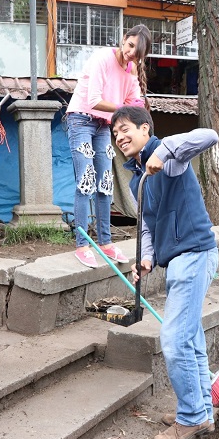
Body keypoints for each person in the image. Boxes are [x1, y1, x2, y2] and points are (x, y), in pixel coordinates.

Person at [112, 105, 219, 439]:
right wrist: (145, 258)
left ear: (146, 128)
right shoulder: (137, 177)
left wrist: (163, 149)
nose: (119, 137)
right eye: (115, 133)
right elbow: (146, 223)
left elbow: (209, 136)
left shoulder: (169, 157)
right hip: (178, 260)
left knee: (173, 341)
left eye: (125, 128)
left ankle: (191, 418)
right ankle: (201, 411)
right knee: (190, 340)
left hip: (194, 254)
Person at [65, 24, 151, 268]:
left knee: (105, 182)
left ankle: (105, 242)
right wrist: (126, 108)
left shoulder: (132, 70)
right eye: (130, 45)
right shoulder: (102, 57)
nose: (131, 52)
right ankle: (82, 244)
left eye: (138, 51)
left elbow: (136, 102)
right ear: (125, 39)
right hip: (81, 118)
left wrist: (135, 110)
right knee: (86, 181)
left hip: (103, 125)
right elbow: (94, 100)